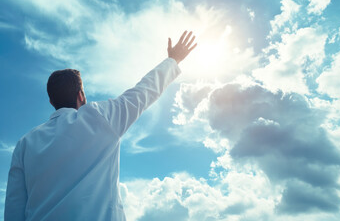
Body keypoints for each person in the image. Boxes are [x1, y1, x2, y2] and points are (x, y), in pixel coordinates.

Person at [5, 31, 197, 221]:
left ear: (51, 101)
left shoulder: (24, 145)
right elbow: (143, 91)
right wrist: (173, 60)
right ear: (81, 96)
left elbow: (14, 211)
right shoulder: (101, 117)